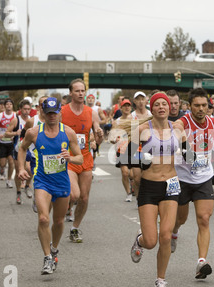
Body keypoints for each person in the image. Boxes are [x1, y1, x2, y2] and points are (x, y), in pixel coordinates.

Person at [128, 92, 188, 287]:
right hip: (149, 186)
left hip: (171, 184)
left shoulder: (177, 129)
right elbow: (131, 157)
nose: (162, 107)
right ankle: (140, 240)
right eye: (157, 104)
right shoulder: (143, 130)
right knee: (151, 241)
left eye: (165, 104)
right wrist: (138, 166)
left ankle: (161, 280)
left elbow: (187, 153)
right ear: (151, 109)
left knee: (165, 236)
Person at [17, 97, 83, 275]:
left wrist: (69, 158)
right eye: (48, 113)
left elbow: (80, 158)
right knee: (43, 219)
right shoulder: (34, 133)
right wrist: (21, 168)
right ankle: (47, 257)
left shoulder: (68, 133)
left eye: (55, 113)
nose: (52, 116)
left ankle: (54, 249)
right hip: (42, 181)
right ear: (43, 113)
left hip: (61, 181)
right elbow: (22, 148)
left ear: (60, 113)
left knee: (59, 221)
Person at [171, 88, 214, 280]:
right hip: (182, 178)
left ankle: (201, 262)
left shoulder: (213, 121)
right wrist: (184, 142)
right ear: (189, 106)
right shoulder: (183, 122)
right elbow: (177, 129)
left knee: (204, 218)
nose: (201, 109)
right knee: (180, 219)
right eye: (197, 105)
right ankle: (175, 232)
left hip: (203, 177)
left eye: (204, 105)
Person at [61, 79, 103, 243]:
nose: (80, 94)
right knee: (75, 194)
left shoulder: (91, 113)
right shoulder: (62, 112)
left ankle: (75, 228)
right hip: (69, 158)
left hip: (85, 158)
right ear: (71, 93)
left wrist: (99, 135)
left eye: (82, 91)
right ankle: (66, 205)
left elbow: (99, 140)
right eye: (77, 91)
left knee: (84, 198)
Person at [6, 99, 33, 205]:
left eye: (28, 109)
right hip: (18, 149)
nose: (27, 111)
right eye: (25, 109)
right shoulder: (16, 120)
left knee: (30, 170)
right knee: (18, 173)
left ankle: (27, 186)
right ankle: (18, 193)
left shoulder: (32, 120)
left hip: (30, 149)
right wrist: (15, 133)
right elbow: (6, 134)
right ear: (20, 110)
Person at [109, 98, 135, 202]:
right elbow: (111, 137)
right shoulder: (117, 122)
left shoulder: (135, 120)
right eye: (124, 106)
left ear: (131, 108)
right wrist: (115, 139)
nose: (127, 107)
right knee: (125, 173)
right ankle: (128, 193)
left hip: (133, 148)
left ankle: (133, 183)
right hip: (122, 149)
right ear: (121, 108)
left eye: (128, 106)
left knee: (133, 174)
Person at [0, 98, 16, 187]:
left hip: (11, 142)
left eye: (10, 104)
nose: (9, 106)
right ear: (5, 106)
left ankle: (9, 180)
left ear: (12, 106)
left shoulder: (15, 116)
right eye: (7, 104)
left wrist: (14, 135)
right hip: (1, 142)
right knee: (3, 163)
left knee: (11, 161)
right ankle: (2, 169)